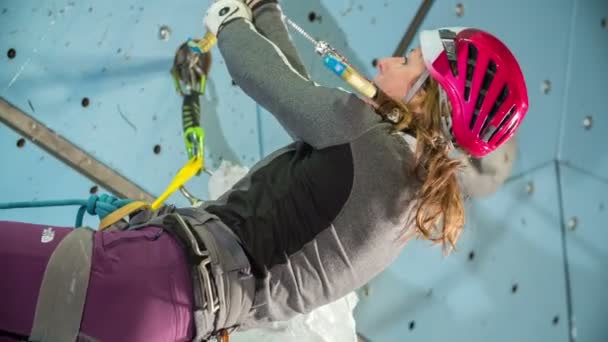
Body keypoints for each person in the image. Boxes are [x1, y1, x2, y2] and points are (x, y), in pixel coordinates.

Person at [0, 0, 528, 341]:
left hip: (148, 278)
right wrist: (266, 11)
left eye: (408, 64)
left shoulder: (368, 137)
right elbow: (304, 97)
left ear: (425, 99)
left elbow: (269, 79)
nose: (387, 65)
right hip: (178, 322)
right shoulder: (405, 199)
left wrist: (229, 20)